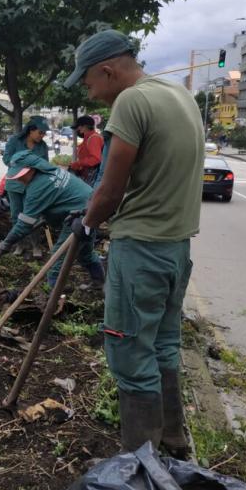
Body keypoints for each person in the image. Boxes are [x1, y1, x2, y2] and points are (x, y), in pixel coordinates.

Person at [63, 29, 203, 457]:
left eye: (88, 83)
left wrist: (85, 224)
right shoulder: (178, 95)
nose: (90, 93)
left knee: (129, 355)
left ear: (108, 69)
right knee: (162, 347)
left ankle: (139, 472)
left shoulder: (131, 101)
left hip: (140, 248)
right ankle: (173, 446)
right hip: (176, 248)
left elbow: (110, 188)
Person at [0, 150, 105, 286]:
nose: (18, 179)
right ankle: (99, 283)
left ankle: (54, 296)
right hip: (92, 206)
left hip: (80, 214)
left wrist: (7, 243)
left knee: (57, 260)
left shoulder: (37, 187)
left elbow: (24, 224)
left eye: (20, 175)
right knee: (85, 252)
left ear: (31, 169)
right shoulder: (50, 172)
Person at [2, 116, 50, 257]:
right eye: (40, 132)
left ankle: (36, 246)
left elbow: (45, 165)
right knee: (16, 216)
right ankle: (20, 245)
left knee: (33, 215)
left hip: (33, 185)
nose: (42, 136)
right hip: (15, 184)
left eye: (44, 133)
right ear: (31, 130)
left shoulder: (43, 147)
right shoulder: (14, 141)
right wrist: (23, 164)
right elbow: (6, 159)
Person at [69, 115, 104, 186]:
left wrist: (78, 163)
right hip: (88, 175)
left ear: (85, 126)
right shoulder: (88, 138)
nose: (78, 129)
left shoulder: (93, 138)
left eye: (79, 126)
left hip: (93, 176)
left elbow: (95, 159)